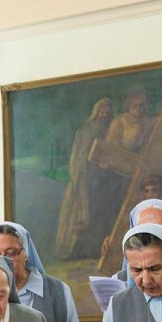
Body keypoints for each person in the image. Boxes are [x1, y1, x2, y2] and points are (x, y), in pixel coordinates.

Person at [56, 97, 114, 259]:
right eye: (101, 111)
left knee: (98, 214)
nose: (104, 115)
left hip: (101, 178)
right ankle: (75, 250)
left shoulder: (108, 129)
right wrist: (86, 167)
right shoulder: (86, 129)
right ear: (96, 112)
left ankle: (95, 249)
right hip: (85, 178)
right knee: (81, 214)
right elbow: (80, 153)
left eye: (106, 112)